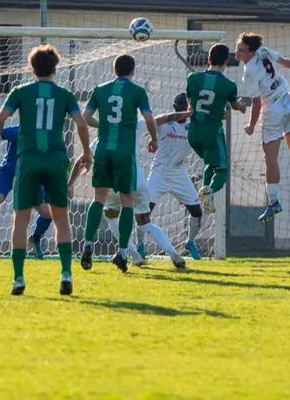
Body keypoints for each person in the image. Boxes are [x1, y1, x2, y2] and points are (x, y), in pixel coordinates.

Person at [0, 44, 92, 296]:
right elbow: (81, 123)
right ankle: (66, 273)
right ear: (55, 68)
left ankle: (18, 279)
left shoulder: (21, 91)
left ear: (31, 68)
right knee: (61, 218)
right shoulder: (65, 95)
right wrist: (87, 151)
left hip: (29, 159)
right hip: (55, 159)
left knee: (20, 219)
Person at [80, 54, 158, 273]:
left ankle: (87, 245)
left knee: (98, 199)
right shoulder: (138, 91)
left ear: (114, 70)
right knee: (127, 202)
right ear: (132, 71)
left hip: (103, 150)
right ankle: (123, 253)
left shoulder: (100, 89)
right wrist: (154, 139)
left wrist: (102, 124)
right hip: (124, 153)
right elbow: (150, 119)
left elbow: (85, 118)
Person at [235, 32, 290, 222]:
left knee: (270, 159)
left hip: (273, 110)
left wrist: (250, 126)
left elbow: (257, 103)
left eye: (241, 50)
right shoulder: (264, 52)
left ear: (251, 51)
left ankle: (274, 202)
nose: (237, 52)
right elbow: (288, 63)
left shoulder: (248, 72)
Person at [67, 131, 185, 271]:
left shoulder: (102, 139)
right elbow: (157, 119)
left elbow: (83, 159)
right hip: (137, 181)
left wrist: (70, 184)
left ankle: (132, 254)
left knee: (110, 215)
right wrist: (154, 136)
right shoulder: (134, 128)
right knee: (145, 222)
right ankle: (173, 253)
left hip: (112, 184)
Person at [186, 43, 247, 216]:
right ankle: (209, 191)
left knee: (211, 163)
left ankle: (206, 197)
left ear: (208, 59)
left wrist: (216, 111)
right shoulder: (228, 85)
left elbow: (192, 107)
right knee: (222, 170)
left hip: (193, 133)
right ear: (226, 61)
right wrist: (242, 106)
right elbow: (235, 105)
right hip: (212, 134)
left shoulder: (192, 78)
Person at [0, 126, 53, 259]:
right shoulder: (19, 131)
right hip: (8, 173)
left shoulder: (45, 136)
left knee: (48, 213)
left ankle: (35, 239)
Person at [146, 93, 203, 260]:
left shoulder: (192, 125)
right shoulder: (165, 122)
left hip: (179, 173)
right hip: (159, 172)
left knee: (197, 212)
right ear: (175, 108)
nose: (180, 112)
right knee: (143, 212)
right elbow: (154, 121)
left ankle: (190, 242)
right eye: (178, 108)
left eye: (184, 108)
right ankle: (140, 245)